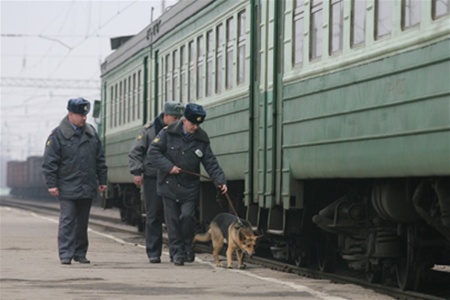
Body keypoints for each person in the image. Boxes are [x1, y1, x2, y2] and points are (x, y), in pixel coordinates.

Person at [148, 103, 228, 266]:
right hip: (168, 184)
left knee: (186, 217)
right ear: (184, 120)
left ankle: (187, 247)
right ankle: (177, 253)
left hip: (189, 187)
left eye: (198, 124)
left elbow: (210, 162)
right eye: (193, 123)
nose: (195, 127)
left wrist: (220, 181)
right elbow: (153, 153)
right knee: (172, 221)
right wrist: (169, 167)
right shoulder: (167, 133)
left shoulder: (201, 138)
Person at [42, 97, 108, 265]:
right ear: (71, 114)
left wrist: (102, 180)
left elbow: (100, 159)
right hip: (67, 185)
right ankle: (65, 253)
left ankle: (80, 253)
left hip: (87, 185)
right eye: (80, 115)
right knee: (68, 220)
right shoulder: (57, 135)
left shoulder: (91, 133)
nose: (84, 118)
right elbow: (50, 162)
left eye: (85, 114)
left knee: (82, 222)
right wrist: (52, 184)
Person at [128, 101, 185, 263]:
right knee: (153, 216)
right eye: (175, 117)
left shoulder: (179, 129)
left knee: (172, 216)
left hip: (173, 177)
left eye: (180, 117)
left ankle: (176, 253)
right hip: (153, 178)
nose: (178, 121)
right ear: (165, 116)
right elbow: (135, 152)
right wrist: (137, 172)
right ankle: (153, 252)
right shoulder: (149, 130)